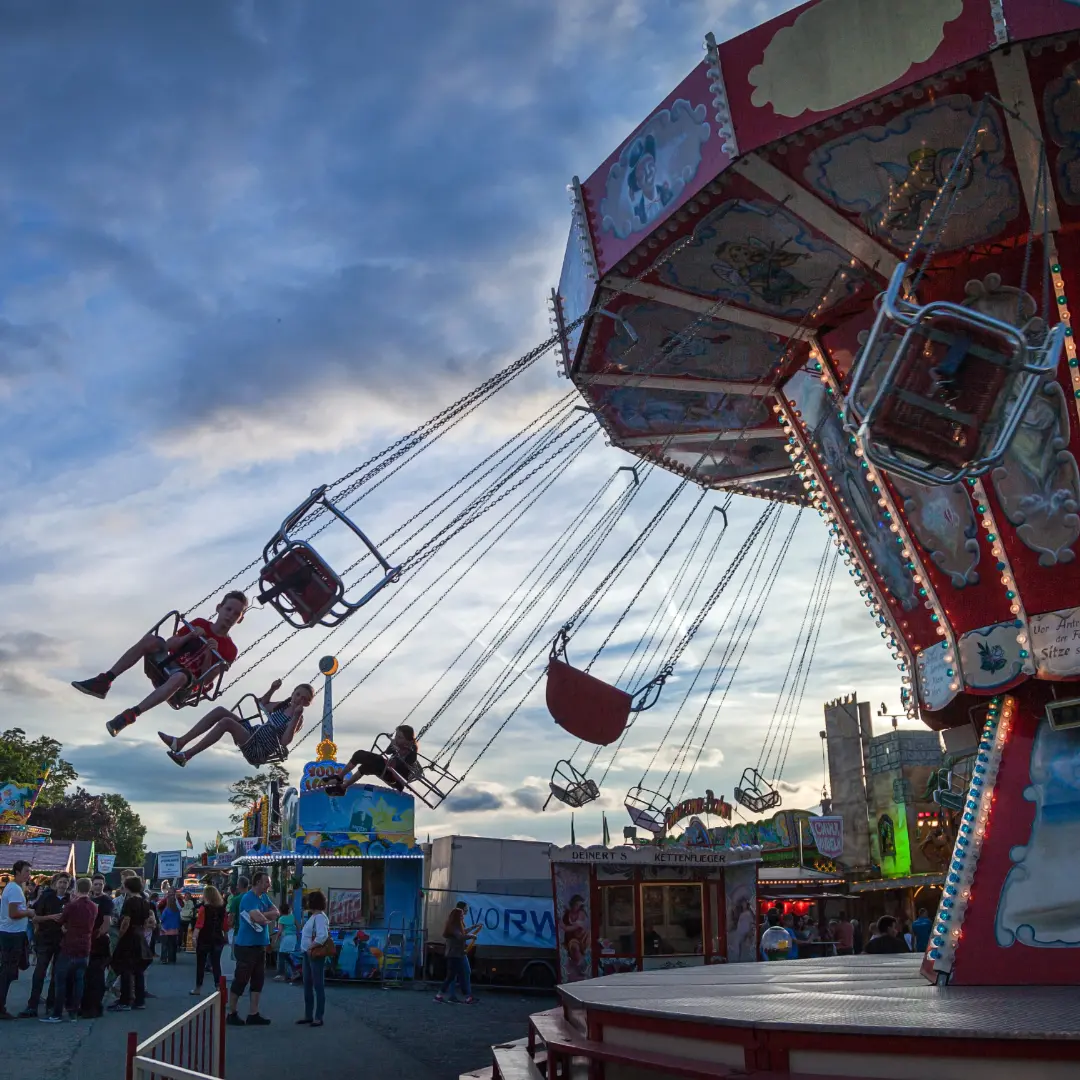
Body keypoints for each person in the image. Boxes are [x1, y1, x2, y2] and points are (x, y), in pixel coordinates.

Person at [71, 590, 247, 737]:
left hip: (185, 684)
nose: (230, 615)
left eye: (236, 613)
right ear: (219, 608)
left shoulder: (230, 650)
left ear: (240, 619)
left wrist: (209, 652)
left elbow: (206, 680)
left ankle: (131, 714)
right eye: (228, 609)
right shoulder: (200, 624)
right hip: (166, 665)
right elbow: (170, 644)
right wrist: (190, 636)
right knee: (151, 640)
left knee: (180, 676)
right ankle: (105, 680)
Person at [160, 680, 313, 768]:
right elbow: (262, 705)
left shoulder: (297, 719)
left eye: (304, 699)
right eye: (298, 694)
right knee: (220, 711)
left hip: (259, 748)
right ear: (292, 693)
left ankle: (186, 756)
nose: (299, 699)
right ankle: (180, 742)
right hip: (254, 733)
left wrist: (296, 717)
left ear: (307, 704)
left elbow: (285, 741)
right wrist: (272, 689)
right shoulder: (283, 705)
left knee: (226, 722)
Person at [41, 877, 97, 1023]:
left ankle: (57, 1013)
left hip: (69, 945)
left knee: (61, 980)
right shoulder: (93, 906)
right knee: (79, 980)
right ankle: (74, 1012)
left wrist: (65, 927)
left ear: (76, 888)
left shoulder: (71, 906)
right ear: (90, 889)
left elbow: (61, 921)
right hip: (85, 946)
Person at [228, 871, 279, 1026]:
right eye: (266, 882)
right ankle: (232, 1013)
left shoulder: (263, 897)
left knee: (258, 980)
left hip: (259, 945)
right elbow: (260, 920)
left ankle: (253, 1013)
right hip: (246, 946)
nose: (269, 885)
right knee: (241, 979)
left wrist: (263, 915)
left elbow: (275, 913)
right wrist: (264, 916)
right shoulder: (248, 898)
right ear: (257, 882)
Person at [19, 872, 70, 1018]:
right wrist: (51, 917)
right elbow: (35, 918)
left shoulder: (70, 900)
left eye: (65, 883)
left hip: (62, 941)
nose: (62, 885)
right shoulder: (46, 897)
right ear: (55, 883)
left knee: (57, 974)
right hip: (45, 939)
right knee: (39, 972)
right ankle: (32, 1005)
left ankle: (51, 1004)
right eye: (60, 882)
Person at [328, 725, 418, 796]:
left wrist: (399, 750)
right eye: (396, 736)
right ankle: (341, 783)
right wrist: (392, 745)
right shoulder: (397, 744)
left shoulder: (412, 749)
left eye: (400, 737)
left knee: (371, 760)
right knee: (363, 763)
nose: (396, 739)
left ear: (408, 740)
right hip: (385, 769)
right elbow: (387, 752)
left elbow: (406, 763)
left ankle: (342, 784)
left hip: (396, 779)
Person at [108, 876, 155, 1011]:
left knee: (126, 970)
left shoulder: (129, 902)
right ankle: (140, 1001)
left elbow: (126, 921)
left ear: (128, 887)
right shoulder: (145, 902)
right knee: (138, 970)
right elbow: (146, 921)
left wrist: (121, 935)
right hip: (140, 935)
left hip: (130, 936)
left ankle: (125, 1001)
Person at [0, 860, 32, 1020]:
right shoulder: (14, 889)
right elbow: (13, 913)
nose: (29, 875)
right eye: (26, 871)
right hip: (12, 934)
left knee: (9, 970)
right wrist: (29, 913)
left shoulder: (16, 888)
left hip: (13, 933)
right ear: (17, 872)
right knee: (7, 971)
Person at [81, 874, 113, 1018]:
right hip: (85, 941)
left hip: (99, 943)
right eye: (96, 884)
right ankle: (85, 1005)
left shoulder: (106, 901)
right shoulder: (87, 899)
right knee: (86, 976)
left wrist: (96, 935)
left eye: (101, 884)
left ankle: (95, 1006)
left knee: (97, 975)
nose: (98, 887)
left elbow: (106, 923)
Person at [297, 890, 329, 1027]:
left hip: (313, 953)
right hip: (307, 952)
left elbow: (322, 936)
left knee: (317, 984)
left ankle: (318, 1016)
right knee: (308, 984)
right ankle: (309, 1014)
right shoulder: (313, 916)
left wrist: (311, 946)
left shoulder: (320, 917)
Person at [434, 901, 477, 1005]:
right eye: (461, 914)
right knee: (455, 976)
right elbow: (460, 936)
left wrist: (472, 928)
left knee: (457, 975)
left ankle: (466, 996)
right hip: (455, 955)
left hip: (457, 954)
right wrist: (472, 936)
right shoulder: (453, 927)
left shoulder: (455, 925)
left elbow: (462, 933)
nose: (463, 915)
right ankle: (442, 996)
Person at [192, 885, 227, 997]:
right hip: (217, 938)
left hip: (204, 938)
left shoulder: (204, 908)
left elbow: (199, 925)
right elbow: (225, 925)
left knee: (201, 963)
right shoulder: (222, 908)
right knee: (216, 964)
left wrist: (194, 937)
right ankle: (218, 986)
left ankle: (198, 988)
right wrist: (225, 936)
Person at [226, 878, 248, 960]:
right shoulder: (253, 898)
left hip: (239, 933)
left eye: (238, 885)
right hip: (253, 935)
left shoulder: (236, 900)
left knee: (239, 959)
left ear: (239, 886)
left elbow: (230, 921)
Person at [159, 890, 181, 963]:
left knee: (164, 945)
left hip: (165, 929)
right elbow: (179, 919)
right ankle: (172, 958)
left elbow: (162, 919)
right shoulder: (177, 910)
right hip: (174, 930)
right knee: (172, 945)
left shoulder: (166, 910)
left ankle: (164, 959)